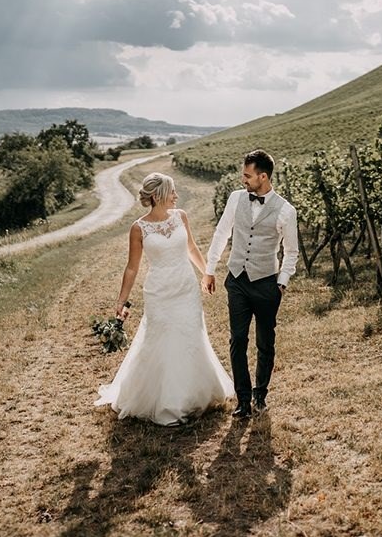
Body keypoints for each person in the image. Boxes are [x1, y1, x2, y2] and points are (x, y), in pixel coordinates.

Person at [95, 172, 234, 426]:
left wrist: (207, 273)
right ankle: (169, 402)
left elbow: (191, 248)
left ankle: (193, 395)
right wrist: (121, 301)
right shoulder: (138, 228)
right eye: (172, 191)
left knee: (191, 335)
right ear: (158, 195)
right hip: (159, 292)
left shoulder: (181, 216)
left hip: (186, 287)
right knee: (162, 340)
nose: (176, 196)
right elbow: (132, 268)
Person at [203, 150, 298, 418]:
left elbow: (292, 251)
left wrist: (281, 283)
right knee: (237, 340)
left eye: (247, 175)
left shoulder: (286, 211)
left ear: (263, 176)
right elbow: (222, 232)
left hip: (266, 283)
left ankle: (260, 394)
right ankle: (243, 400)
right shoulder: (236, 198)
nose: (243, 179)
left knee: (265, 343)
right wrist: (210, 269)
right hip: (237, 280)